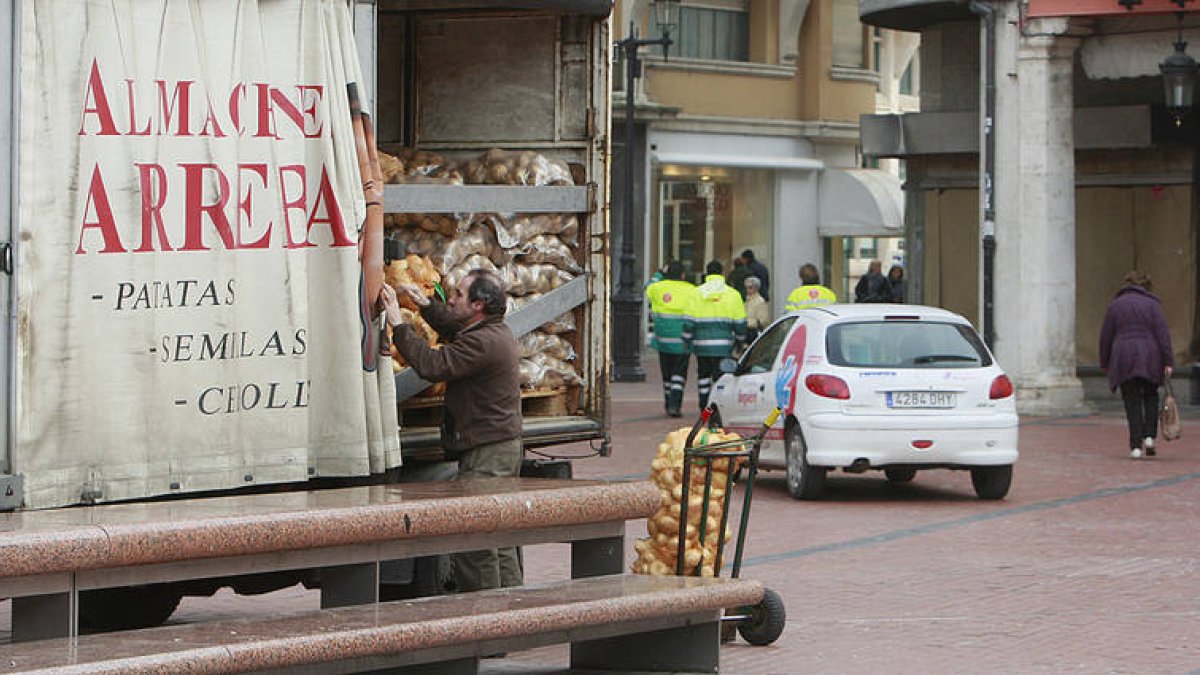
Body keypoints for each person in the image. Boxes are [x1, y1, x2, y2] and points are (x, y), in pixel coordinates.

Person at [380, 271, 524, 591]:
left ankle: (486, 620)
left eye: (458, 295)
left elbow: (433, 365)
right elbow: (453, 324)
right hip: (497, 446)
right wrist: (425, 305)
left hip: (488, 453)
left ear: (478, 305)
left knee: (477, 540)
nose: (452, 298)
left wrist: (398, 323)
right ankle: (514, 615)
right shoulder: (489, 330)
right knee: (498, 539)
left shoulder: (482, 342)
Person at [1099, 271, 1174, 459]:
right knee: (1150, 395)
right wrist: (1168, 361)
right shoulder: (1153, 305)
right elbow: (1163, 334)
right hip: (1150, 355)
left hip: (1123, 356)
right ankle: (1149, 435)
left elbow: (1105, 336)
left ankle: (1135, 447)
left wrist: (1105, 361)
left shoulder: (1115, 306)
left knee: (1131, 401)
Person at [684, 260, 747, 410]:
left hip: (702, 345)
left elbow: (688, 321)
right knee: (721, 377)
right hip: (724, 345)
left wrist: (687, 339)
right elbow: (740, 323)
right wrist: (740, 341)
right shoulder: (733, 294)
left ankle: (704, 405)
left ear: (707, 272)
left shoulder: (696, 293)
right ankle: (719, 407)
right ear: (722, 273)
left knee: (703, 375)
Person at [646, 261, 695, 417]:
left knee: (666, 374)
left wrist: (660, 273)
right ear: (682, 275)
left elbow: (649, 285)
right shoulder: (691, 290)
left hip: (662, 340)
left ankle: (668, 403)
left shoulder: (657, 287)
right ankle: (675, 404)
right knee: (679, 375)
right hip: (682, 340)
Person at [744, 275, 770, 344]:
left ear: (756, 288)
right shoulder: (746, 300)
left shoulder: (760, 301)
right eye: (746, 287)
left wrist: (748, 322)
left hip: (753, 332)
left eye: (750, 287)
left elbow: (763, 320)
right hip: (745, 332)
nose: (747, 290)